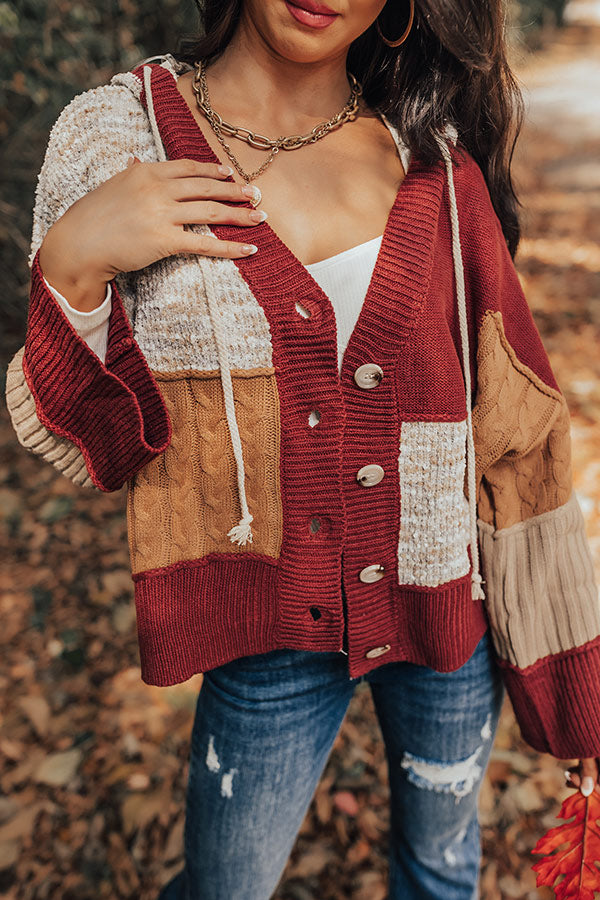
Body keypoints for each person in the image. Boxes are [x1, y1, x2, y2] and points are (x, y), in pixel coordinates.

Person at [6, 1, 600, 898]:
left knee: (442, 875)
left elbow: (520, 436)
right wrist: (73, 268)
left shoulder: (434, 169)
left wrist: (573, 696)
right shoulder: (118, 136)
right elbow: (91, 448)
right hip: (265, 638)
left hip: (446, 608)